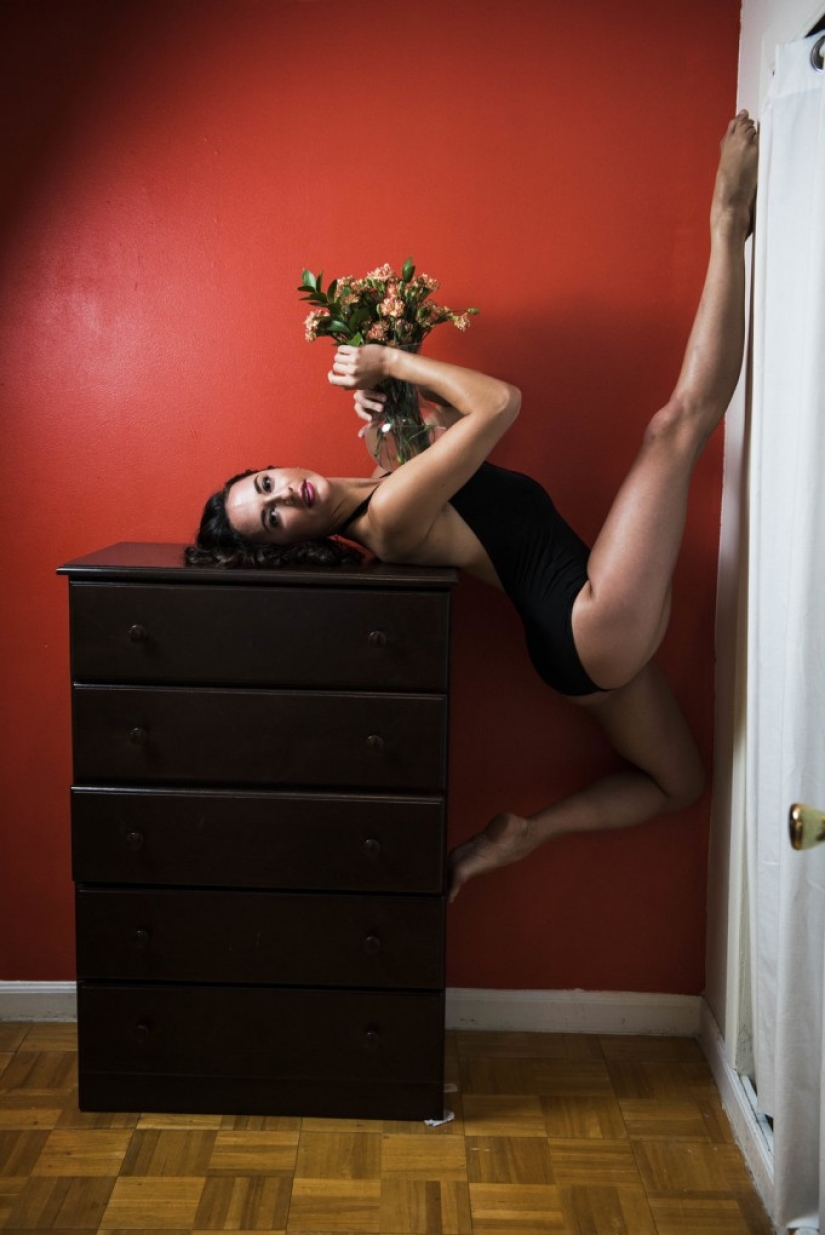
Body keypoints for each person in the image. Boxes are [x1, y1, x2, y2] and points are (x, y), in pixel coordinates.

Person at [188, 112, 759, 903]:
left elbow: (458, 434)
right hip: (588, 619)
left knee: (680, 784)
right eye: (274, 521)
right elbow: (499, 404)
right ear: (290, 548)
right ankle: (727, 219)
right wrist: (393, 362)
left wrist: (396, 403)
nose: (284, 496)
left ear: (270, 468)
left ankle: (523, 836)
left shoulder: (384, 471)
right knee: (676, 425)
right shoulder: (386, 519)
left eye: (264, 487)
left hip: (574, 651)